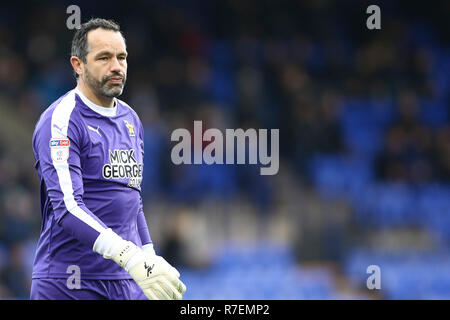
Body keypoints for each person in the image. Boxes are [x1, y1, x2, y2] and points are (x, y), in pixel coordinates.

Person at [30, 18, 186, 300]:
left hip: (126, 280)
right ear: (78, 65)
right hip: (70, 284)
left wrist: (148, 257)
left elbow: (131, 199)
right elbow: (67, 208)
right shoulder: (62, 120)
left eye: (121, 57)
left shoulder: (130, 118)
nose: (117, 66)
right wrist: (130, 257)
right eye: (104, 57)